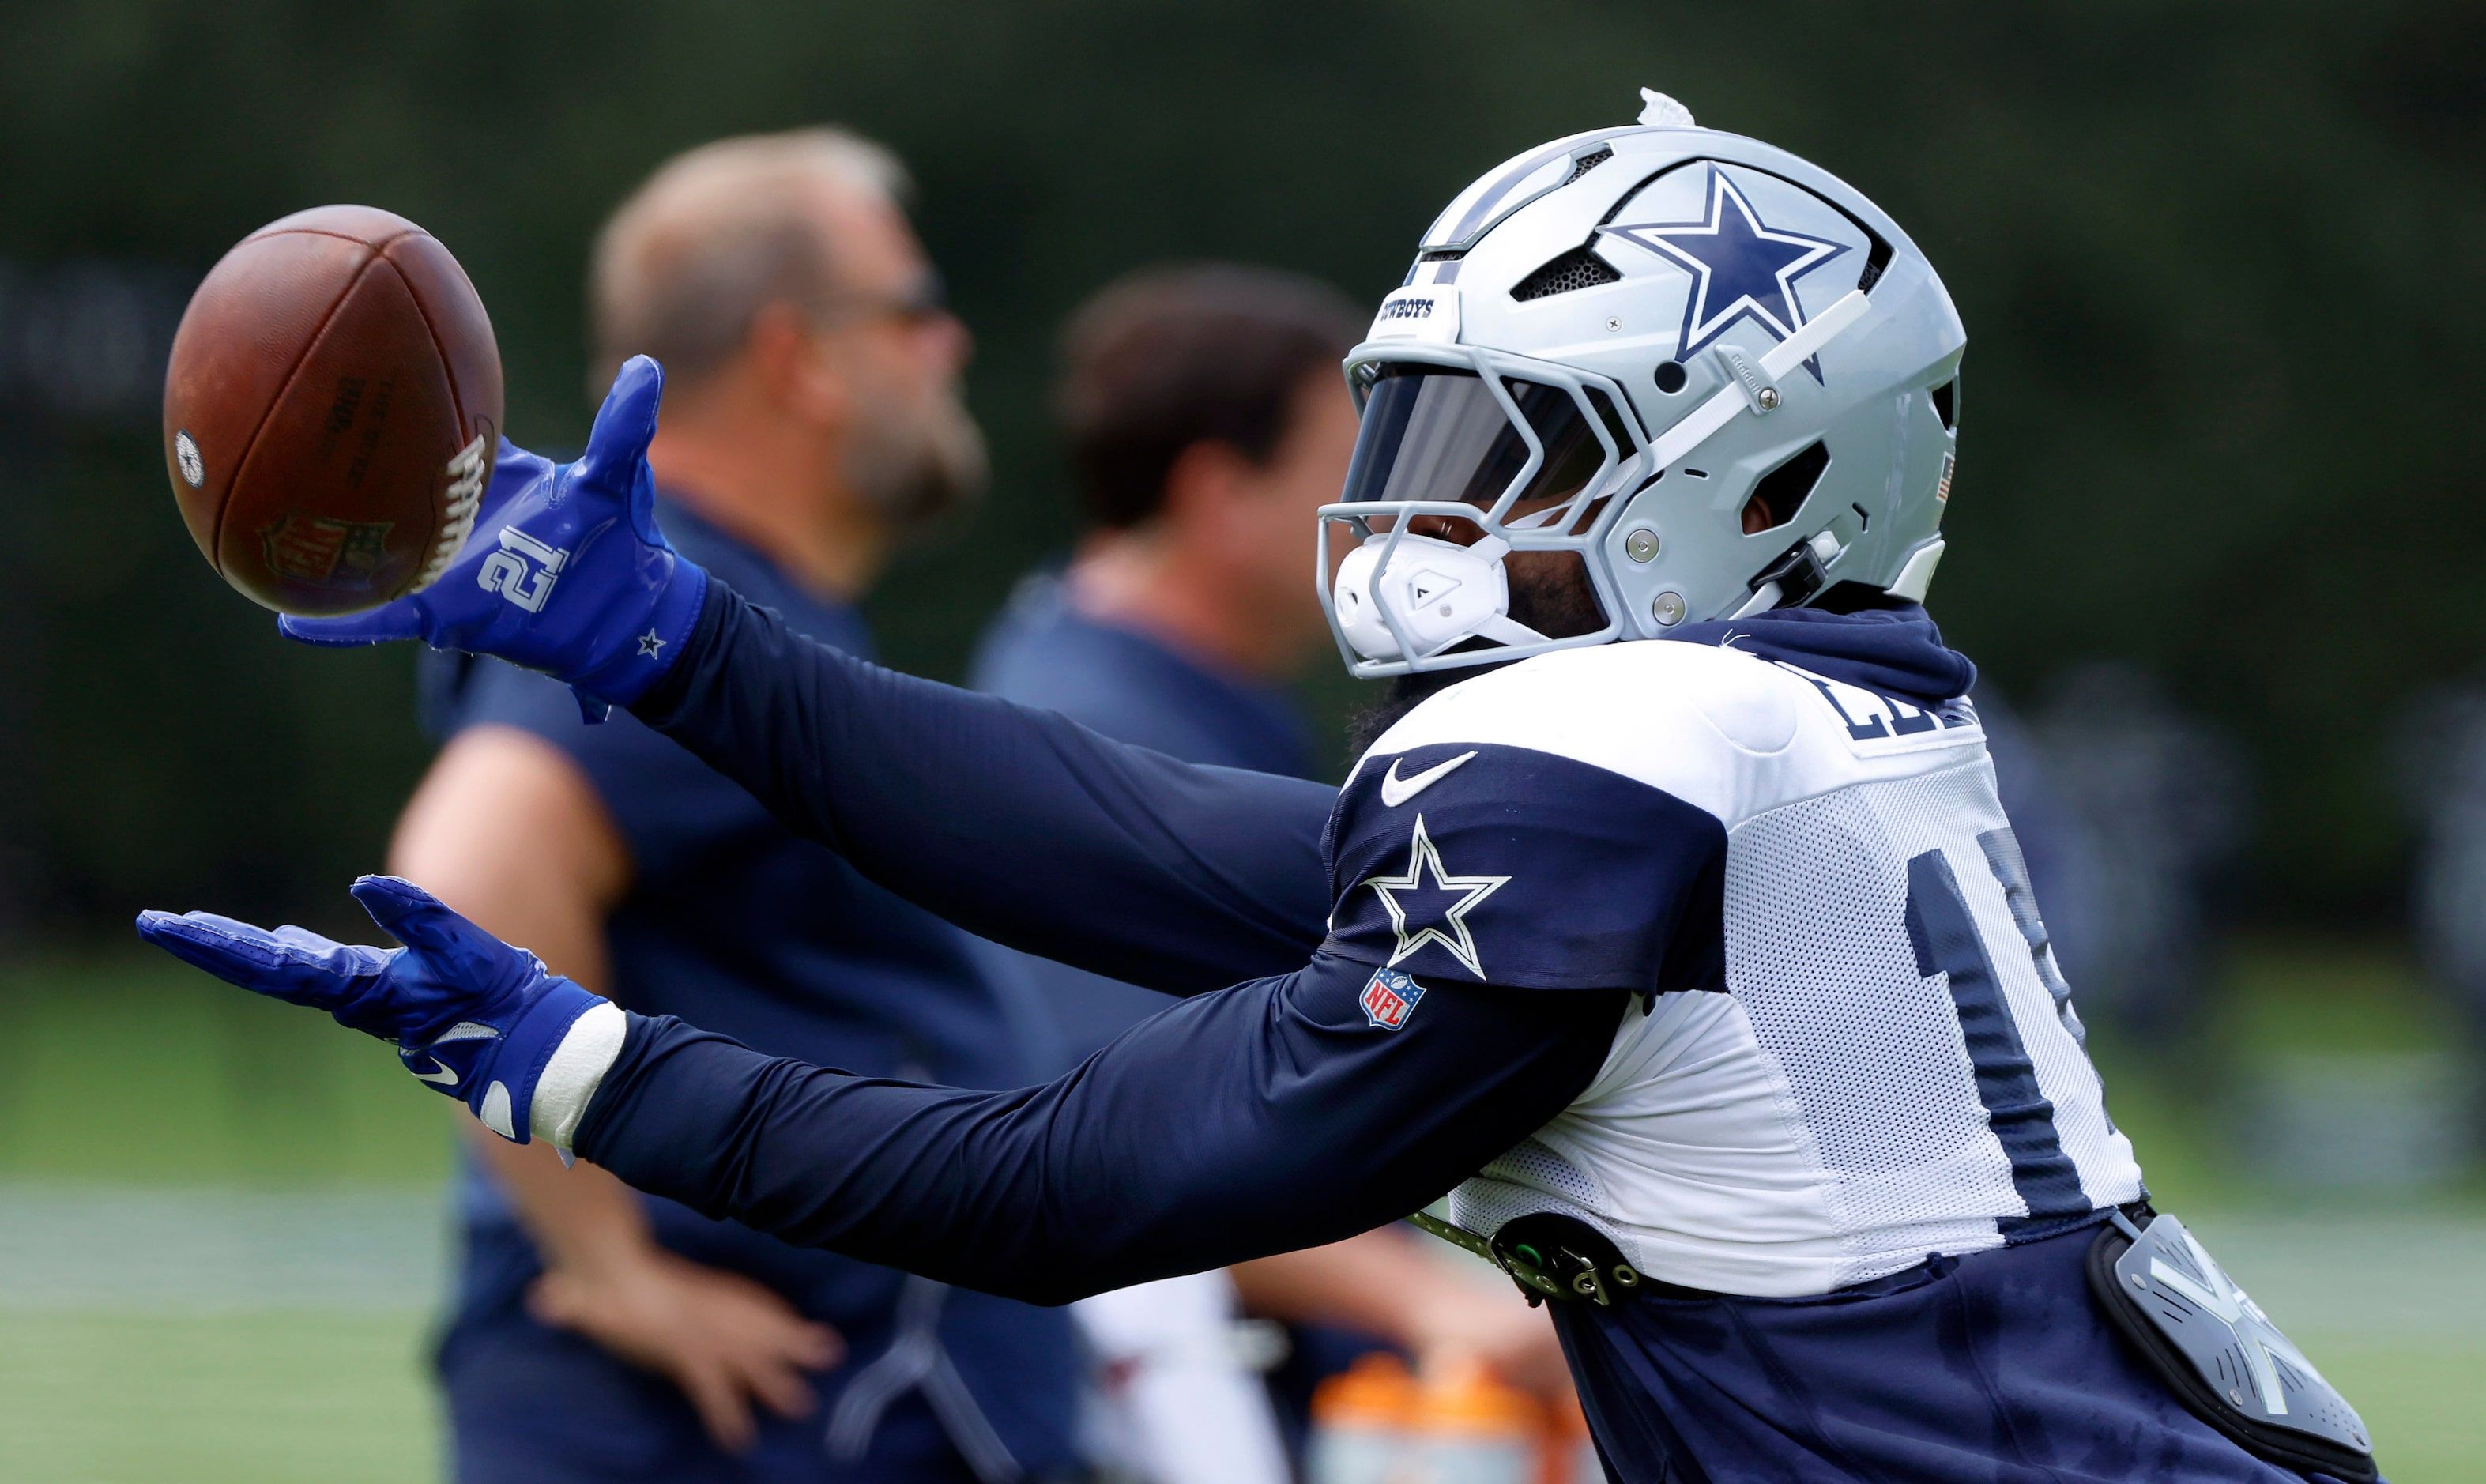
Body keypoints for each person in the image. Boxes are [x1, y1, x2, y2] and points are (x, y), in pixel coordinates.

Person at [145, 94, 2379, 1484]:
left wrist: (590, 1071)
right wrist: (677, 642)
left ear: (1762, 472)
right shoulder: (1794, 736)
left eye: (1505, 450)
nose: (1419, 507)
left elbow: (1071, 1181)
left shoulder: (1637, 757)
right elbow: (1115, 840)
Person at [388, 128, 1083, 1484]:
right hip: (716, 1428)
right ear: (794, 358)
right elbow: (466, 867)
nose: (948, 346)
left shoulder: (708, 593)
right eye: (913, 309)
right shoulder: (666, 607)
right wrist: (611, 1267)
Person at [974, 265, 1572, 1475]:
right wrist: (1427, 1301)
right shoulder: (1097, 720)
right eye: (1345, 470)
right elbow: (1141, 1138)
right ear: (1218, 493)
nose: (1389, 510)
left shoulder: (1169, 690)